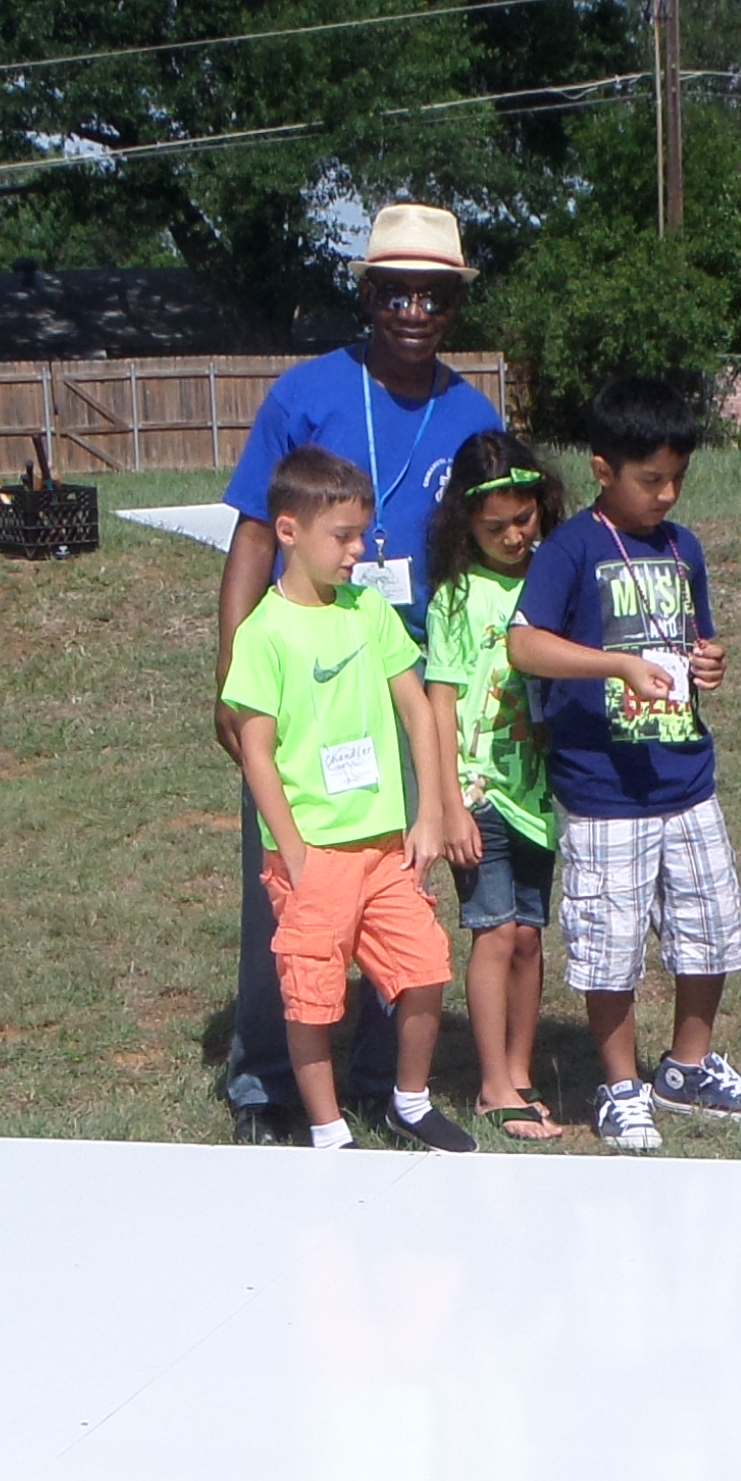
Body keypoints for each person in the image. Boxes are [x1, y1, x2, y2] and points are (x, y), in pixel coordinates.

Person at [211, 204, 499, 1132]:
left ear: (455, 305)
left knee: (394, 879)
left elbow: (498, 545)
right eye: (396, 293)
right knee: (293, 891)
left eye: (435, 296)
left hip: (410, 674)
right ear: (368, 295)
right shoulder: (307, 392)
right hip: (303, 675)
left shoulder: (472, 413)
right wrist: (229, 670)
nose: (415, 312)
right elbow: (255, 536)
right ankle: (267, 1080)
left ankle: (381, 1081)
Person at [505, 375, 741, 1153]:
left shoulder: (683, 547)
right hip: (604, 790)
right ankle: (621, 1085)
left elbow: (694, 641)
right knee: (611, 943)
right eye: (650, 479)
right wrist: (614, 665)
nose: (666, 495)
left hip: (685, 776)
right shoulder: (571, 548)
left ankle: (687, 1067)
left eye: (677, 479)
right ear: (603, 469)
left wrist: (710, 662)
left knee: (708, 928)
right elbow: (524, 644)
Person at [219, 446, 472, 1151]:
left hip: (386, 847)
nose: (359, 550)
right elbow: (257, 752)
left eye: (362, 534)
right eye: (343, 536)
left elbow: (417, 709)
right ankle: (329, 1130)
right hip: (314, 853)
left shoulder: (369, 611)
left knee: (424, 967)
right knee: (313, 994)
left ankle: (409, 1101)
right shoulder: (264, 633)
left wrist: (427, 813)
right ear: (289, 531)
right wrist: (293, 853)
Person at [418, 431, 569, 1142]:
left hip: (538, 793)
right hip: (477, 794)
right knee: (495, 930)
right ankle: (490, 1086)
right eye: (495, 527)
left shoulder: (553, 581)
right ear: (464, 527)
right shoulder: (455, 597)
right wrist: (448, 804)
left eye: (524, 519)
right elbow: (440, 703)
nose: (514, 536)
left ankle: (520, 1073)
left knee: (530, 936)